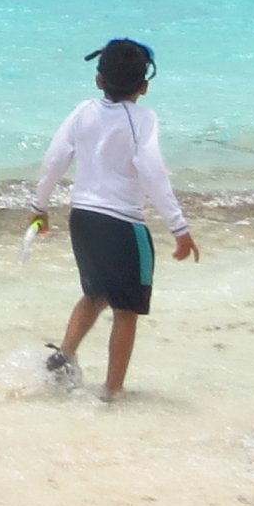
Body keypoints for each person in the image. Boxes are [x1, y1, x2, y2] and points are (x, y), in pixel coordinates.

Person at [32, 37, 199, 400]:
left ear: (99, 80)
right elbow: (153, 172)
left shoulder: (83, 111)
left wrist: (39, 207)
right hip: (123, 225)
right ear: (145, 86)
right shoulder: (143, 119)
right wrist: (179, 227)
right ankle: (112, 392)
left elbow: (55, 159)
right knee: (126, 310)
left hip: (84, 219)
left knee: (94, 295)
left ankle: (64, 359)